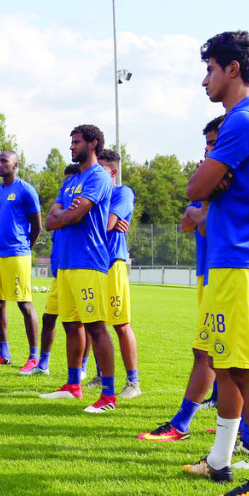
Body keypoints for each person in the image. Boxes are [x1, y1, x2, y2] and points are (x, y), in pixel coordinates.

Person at [182, 31, 249, 496]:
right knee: (225, 365)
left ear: (232, 69)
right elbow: (205, 190)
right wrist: (210, 185)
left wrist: (208, 181)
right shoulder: (244, 118)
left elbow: (195, 187)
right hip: (228, 260)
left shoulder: (246, 118)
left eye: (210, 69)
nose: (204, 79)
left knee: (248, 368)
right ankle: (220, 460)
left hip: (247, 262)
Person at [140, 116, 223, 441]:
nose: (207, 153)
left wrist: (202, 212)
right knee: (217, 355)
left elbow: (203, 222)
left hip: (228, 274)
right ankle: (234, 428)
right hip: (209, 274)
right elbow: (188, 222)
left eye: (213, 144)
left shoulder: (234, 182)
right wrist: (201, 211)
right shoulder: (214, 185)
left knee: (224, 358)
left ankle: (184, 423)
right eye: (206, 146)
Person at [39, 124, 117, 414]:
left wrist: (66, 214)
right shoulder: (72, 181)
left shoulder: (98, 176)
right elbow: (50, 220)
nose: (71, 147)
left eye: (76, 142)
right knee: (71, 325)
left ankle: (108, 395)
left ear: (93, 144)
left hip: (89, 262)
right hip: (67, 263)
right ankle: (73, 385)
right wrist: (65, 214)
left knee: (96, 327)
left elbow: (76, 214)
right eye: (71, 142)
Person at [0, 150, 42, 371]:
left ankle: (34, 356)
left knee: (24, 303)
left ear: (15, 165)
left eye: (4, 161)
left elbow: (37, 225)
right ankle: (3, 352)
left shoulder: (25, 190)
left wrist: (25, 247)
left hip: (17, 254)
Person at [25, 164, 80, 377]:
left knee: (79, 324)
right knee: (49, 318)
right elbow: (48, 221)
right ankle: (43, 364)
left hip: (77, 271)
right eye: (66, 180)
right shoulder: (62, 207)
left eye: (71, 179)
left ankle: (83, 368)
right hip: (59, 275)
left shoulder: (81, 207)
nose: (68, 184)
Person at [96, 149, 141, 398]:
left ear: (113, 172)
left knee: (121, 324)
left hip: (113, 263)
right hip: (94, 265)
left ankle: (133, 383)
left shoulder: (122, 193)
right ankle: (100, 375)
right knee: (95, 324)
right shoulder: (96, 193)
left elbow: (107, 225)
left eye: (101, 169)